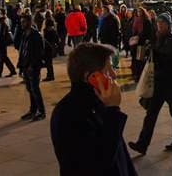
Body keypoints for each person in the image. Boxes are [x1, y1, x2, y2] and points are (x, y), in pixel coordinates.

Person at [50, 43, 137, 176]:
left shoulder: (100, 102)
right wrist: (113, 111)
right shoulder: (67, 114)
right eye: (108, 70)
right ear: (90, 77)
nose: (114, 75)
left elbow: (120, 155)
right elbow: (98, 164)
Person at [128, 13, 172, 155]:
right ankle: (142, 144)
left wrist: (156, 53)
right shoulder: (157, 38)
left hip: (170, 81)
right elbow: (152, 57)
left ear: (168, 25)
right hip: (158, 81)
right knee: (151, 114)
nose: (159, 26)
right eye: (158, 24)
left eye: (162, 24)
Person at [18, 13, 46, 121]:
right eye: (21, 22)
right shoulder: (25, 34)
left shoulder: (36, 35)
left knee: (35, 89)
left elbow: (39, 53)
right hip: (26, 65)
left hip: (33, 67)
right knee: (30, 89)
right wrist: (21, 66)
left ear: (29, 22)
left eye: (24, 22)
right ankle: (33, 110)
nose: (22, 24)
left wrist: (33, 66)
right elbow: (22, 50)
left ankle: (41, 111)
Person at [130, 8, 153, 82]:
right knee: (135, 59)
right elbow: (133, 31)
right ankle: (136, 74)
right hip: (135, 43)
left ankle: (140, 76)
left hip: (142, 43)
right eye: (137, 12)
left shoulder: (147, 21)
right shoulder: (136, 20)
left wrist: (146, 40)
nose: (138, 13)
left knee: (140, 60)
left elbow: (149, 33)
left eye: (140, 11)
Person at [0, 11, 17, 78]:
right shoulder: (3, 25)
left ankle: (0, 73)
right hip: (2, 43)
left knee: (2, 58)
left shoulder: (3, 25)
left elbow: (2, 36)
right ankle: (12, 70)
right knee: (4, 58)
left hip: (2, 44)